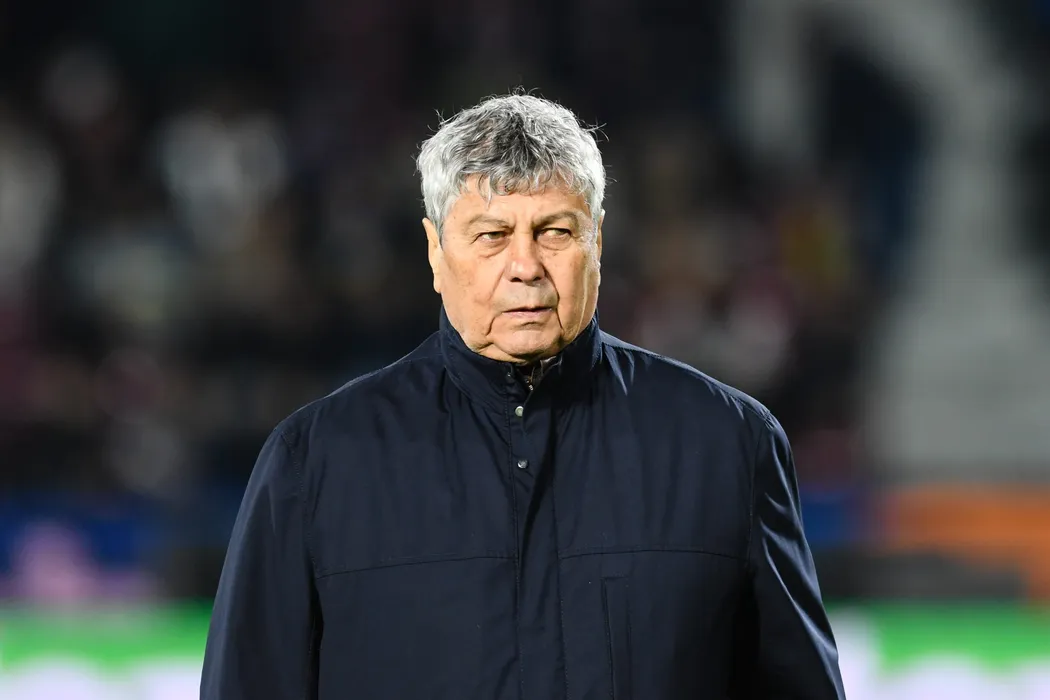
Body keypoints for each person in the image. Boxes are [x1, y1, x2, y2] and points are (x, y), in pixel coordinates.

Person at [200, 93, 846, 700]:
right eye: (491, 235)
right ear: (435, 251)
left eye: (555, 232)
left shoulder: (726, 443)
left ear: (597, 240)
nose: (526, 267)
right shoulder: (317, 461)